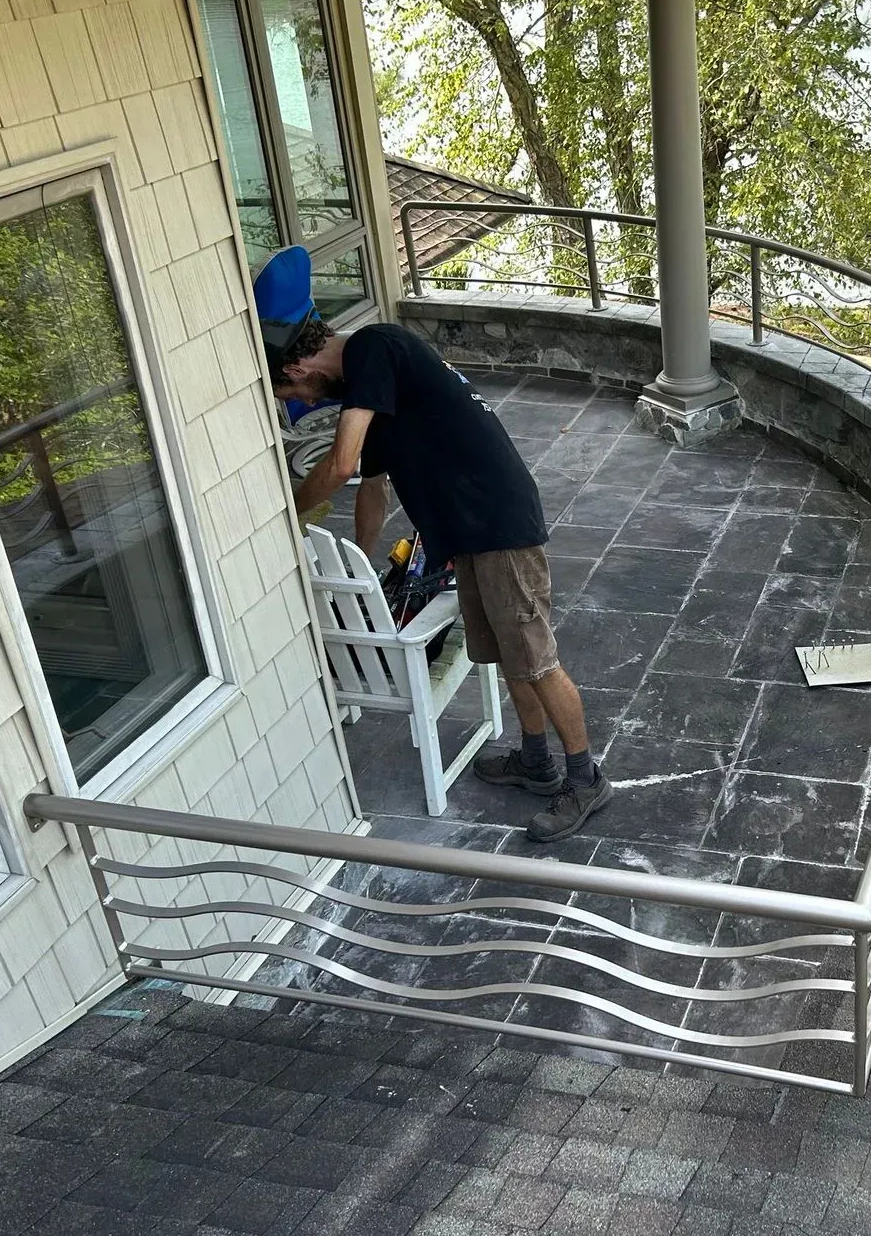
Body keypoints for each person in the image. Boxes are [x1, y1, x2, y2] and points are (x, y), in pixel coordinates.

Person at [253, 248, 611, 842]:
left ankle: (586, 778)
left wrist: (285, 512)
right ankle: (536, 761)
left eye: (299, 395)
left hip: (496, 522)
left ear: (298, 368)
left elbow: (340, 465)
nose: (310, 404)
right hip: (465, 530)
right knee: (506, 654)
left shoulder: (373, 348)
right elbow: (371, 486)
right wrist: (364, 570)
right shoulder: (373, 391)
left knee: (536, 658)